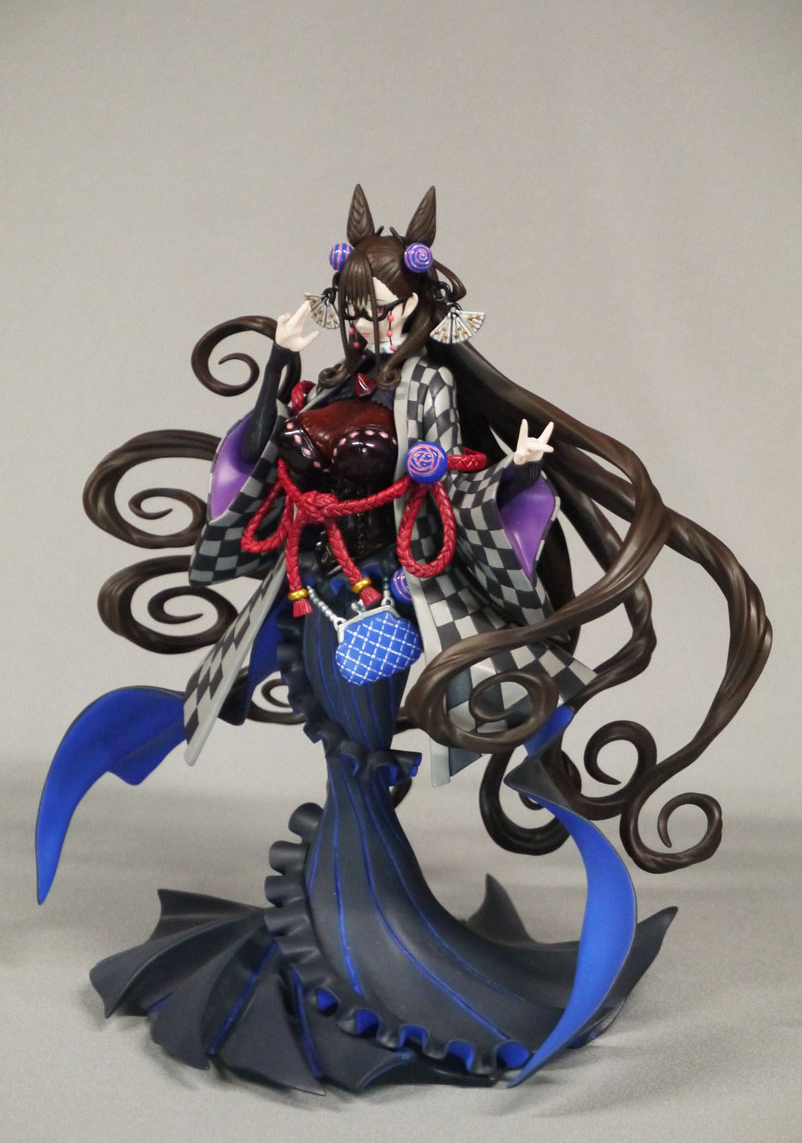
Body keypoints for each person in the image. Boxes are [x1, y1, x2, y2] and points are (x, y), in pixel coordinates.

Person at [36, 186, 770, 1093]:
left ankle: (375, 937)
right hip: (307, 591)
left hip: (381, 595)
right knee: (334, 748)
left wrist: (503, 472)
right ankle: (352, 919)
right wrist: (281, 360)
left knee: (359, 751)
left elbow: (444, 486)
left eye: (381, 311)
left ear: (417, 309)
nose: (366, 326)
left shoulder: (427, 386)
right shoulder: (322, 383)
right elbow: (264, 451)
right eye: (353, 312)